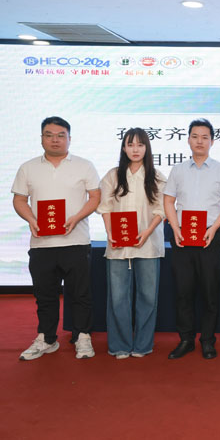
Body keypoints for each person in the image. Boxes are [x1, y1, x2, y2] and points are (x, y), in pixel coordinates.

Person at [13, 116, 100, 360]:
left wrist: (76, 218)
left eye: (61, 135)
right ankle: (47, 338)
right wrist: (31, 219)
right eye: (49, 135)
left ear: (69, 138)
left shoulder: (84, 165)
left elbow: (95, 197)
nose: (55, 140)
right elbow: (19, 199)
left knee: (80, 294)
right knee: (45, 295)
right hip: (41, 243)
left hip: (76, 241)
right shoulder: (28, 167)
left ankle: (83, 336)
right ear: (41, 138)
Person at [164, 119, 220, 359]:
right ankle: (186, 340)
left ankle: (207, 340)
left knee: (209, 292)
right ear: (188, 140)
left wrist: (215, 227)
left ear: (212, 141)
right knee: (183, 291)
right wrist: (175, 228)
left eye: (205, 137)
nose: (199, 141)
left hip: (210, 236)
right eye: (195, 136)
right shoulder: (178, 170)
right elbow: (168, 200)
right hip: (183, 236)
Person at [97, 128, 166, 359]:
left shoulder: (157, 177)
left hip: (148, 244)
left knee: (148, 297)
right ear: (123, 148)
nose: (135, 149)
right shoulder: (113, 175)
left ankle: (143, 345)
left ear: (147, 148)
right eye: (130, 144)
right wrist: (110, 233)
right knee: (118, 298)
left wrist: (147, 232)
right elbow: (105, 207)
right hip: (118, 246)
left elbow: (161, 210)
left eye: (140, 145)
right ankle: (119, 345)